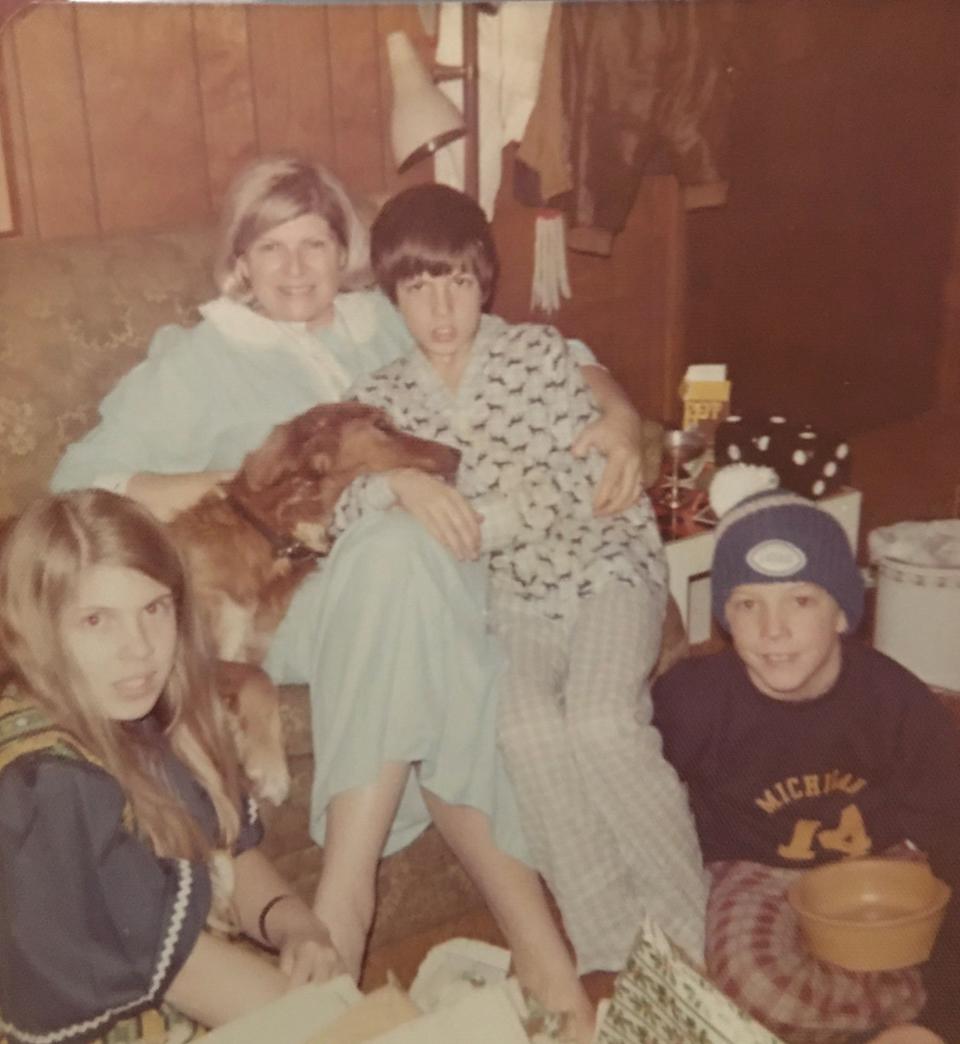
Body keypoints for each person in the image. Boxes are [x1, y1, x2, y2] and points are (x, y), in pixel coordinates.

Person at [49, 154, 649, 1034]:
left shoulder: (389, 320)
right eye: (272, 247)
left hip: (440, 578)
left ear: (347, 255)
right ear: (239, 262)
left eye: (317, 245)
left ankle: (352, 906)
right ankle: (525, 951)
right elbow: (79, 481)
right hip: (291, 600)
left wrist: (621, 414)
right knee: (402, 574)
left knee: (408, 586)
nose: (296, 269)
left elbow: (558, 356)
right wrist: (254, 482)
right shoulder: (203, 357)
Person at [330, 182, 708, 974]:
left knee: (601, 721)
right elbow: (333, 501)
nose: (442, 312)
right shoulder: (380, 399)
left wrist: (469, 520)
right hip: (515, 605)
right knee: (527, 732)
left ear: (485, 281)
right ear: (393, 295)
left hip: (605, 567)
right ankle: (610, 955)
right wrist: (401, 485)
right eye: (419, 290)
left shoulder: (538, 355)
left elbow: (576, 484)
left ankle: (686, 936)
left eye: (458, 285)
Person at [0, 489, 341, 1044]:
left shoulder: (136, 708)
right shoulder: (50, 785)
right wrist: (338, 1022)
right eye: (95, 620)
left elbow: (230, 846)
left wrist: (294, 923)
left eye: (154, 609)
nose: (139, 649)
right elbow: (194, 976)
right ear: (35, 628)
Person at [652, 466, 960, 1044]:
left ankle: (910, 1018)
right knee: (751, 980)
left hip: (876, 869)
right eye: (747, 605)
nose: (773, 630)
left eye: (799, 600)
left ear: (843, 612)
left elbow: (948, 826)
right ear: (726, 617)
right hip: (756, 870)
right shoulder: (694, 700)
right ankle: (893, 1008)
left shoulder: (893, 698)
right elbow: (637, 787)